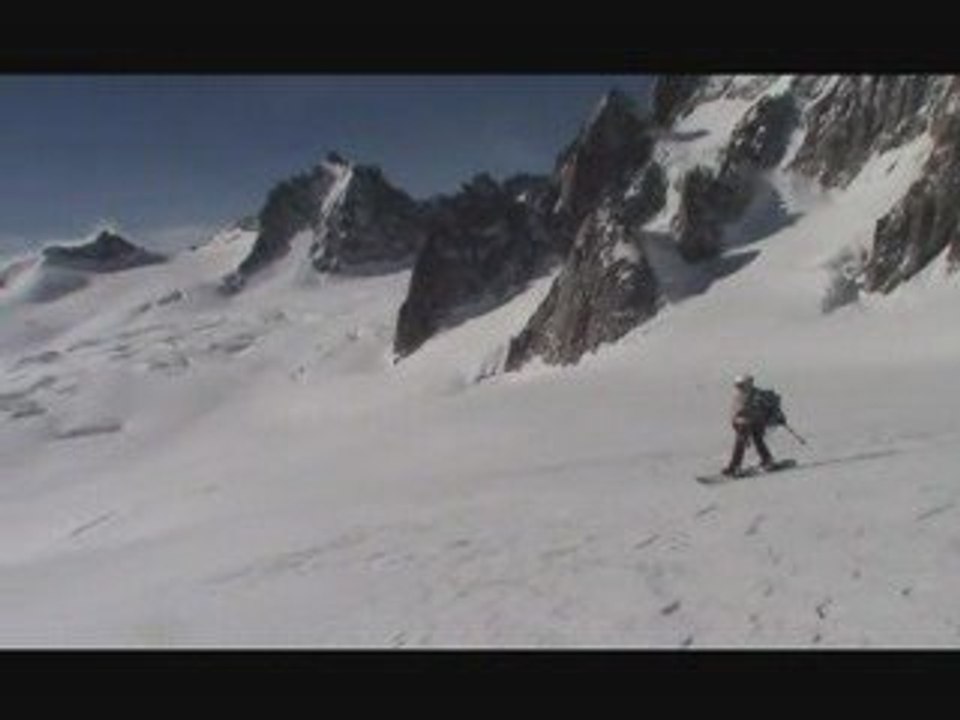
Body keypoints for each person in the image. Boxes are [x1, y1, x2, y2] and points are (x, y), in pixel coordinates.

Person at [723, 374, 777, 477]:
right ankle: (767, 460)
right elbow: (736, 411)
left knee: (740, 445)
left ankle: (735, 467)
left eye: (740, 384)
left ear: (748, 384)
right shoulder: (741, 393)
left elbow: (746, 411)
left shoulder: (755, 394)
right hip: (746, 423)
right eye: (737, 384)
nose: (738, 386)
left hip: (750, 423)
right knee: (756, 441)